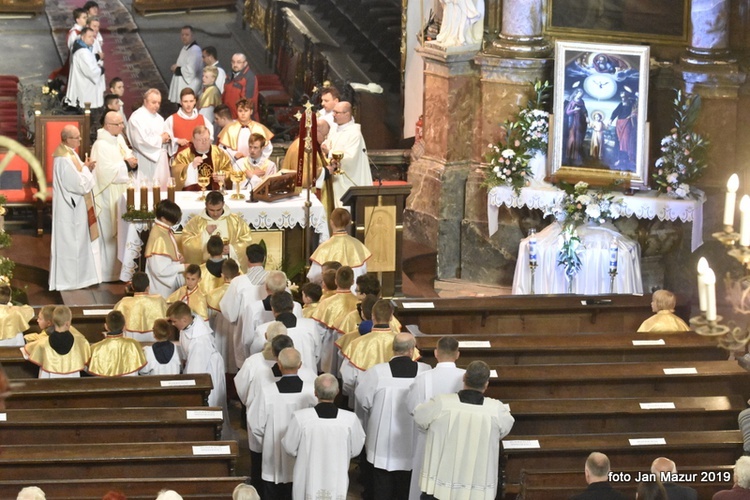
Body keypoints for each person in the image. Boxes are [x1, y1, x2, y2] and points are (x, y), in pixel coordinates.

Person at [413, 360, 515, 500]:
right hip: (476, 488)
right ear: (486, 384)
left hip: (440, 485)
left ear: (464, 378)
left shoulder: (441, 403)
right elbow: (504, 430)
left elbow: (419, 416)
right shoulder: (496, 410)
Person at [355, 333, 431, 500]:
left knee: (382, 485)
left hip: (383, 441)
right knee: (406, 486)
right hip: (412, 440)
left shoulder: (376, 372)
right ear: (412, 350)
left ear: (393, 348)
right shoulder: (425, 371)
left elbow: (363, 400)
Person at [282, 373, 366, 500]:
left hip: (307, 475)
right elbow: (356, 450)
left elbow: (289, 447)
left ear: (315, 392)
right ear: (337, 392)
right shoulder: (350, 419)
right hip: (337, 474)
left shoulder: (301, 418)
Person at [249, 347, 316, 499]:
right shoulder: (311, 392)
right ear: (300, 365)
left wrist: (267, 443)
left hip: (273, 456)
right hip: (303, 455)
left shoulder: (267, 392)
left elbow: (256, 426)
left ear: (279, 365)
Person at [406, 337, 465, 500]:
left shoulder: (423, 378)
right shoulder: (466, 377)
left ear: (436, 353)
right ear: (457, 354)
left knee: (424, 484)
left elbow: (412, 408)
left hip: (428, 438)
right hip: (457, 439)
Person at [49, 124, 102, 291]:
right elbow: (80, 185)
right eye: (76, 137)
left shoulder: (70, 154)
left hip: (76, 207)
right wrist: (87, 170)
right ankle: (70, 281)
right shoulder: (64, 159)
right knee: (71, 244)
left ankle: (80, 278)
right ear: (66, 139)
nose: (79, 140)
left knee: (77, 243)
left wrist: (85, 168)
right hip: (70, 210)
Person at [91, 110, 137, 281]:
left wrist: (131, 161)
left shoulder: (118, 139)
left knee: (123, 231)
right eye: (118, 124)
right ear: (108, 125)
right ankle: (108, 273)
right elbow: (104, 172)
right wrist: (126, 163)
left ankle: (123, 271)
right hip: (108, 193)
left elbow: (128, 155)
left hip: (122, 191)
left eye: (121, 123)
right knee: (110, 232)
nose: (122, 126)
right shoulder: (100, 145)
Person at [340, 299, 407, 401]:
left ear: (372, 316)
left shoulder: (357, 343)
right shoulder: (402, 342)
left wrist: (354, 395)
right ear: (391, 317)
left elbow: (348, 379)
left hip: (362, 397)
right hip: (397, 398)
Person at [168, 301, 226, 411]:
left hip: (208, 369)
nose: (172, 324)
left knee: (210, 402)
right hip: (198, 361)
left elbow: (196, 372)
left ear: (184, 319)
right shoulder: (189, 323)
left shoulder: (199, 341)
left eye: (174, 321)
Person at [220, 244, 268, 370]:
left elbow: (229, 312)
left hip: (245, 332)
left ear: (247, 259)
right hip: (270, 332)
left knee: (248, 369)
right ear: (263, 258)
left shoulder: (238, 282)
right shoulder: (275, 279)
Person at [181, 190, 254, 269]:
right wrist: (204, 234)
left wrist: (232, 249)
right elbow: (187, 243)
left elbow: (247, 240)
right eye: (211, 210)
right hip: (206, 269)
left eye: (218, 210)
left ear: (223, 204)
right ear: (206, 205)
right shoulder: (196, 222)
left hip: (229, 269)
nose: (215, 214)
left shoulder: (235, 221)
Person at [320, 101, 373, 207]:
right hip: (334, 179)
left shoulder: (354, 134)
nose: (333, 115)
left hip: (348, 181)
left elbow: (350, 157)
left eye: (337, 112)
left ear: (347, 114)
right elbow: (328, 144)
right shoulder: (334, 129)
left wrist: (329, 152)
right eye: (333, 112)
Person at [255, 291, 321, 375]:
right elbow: (317, 354)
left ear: (272, 309)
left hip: (274, 380)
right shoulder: (310, 325)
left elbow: (256, 355)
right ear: (293, 306)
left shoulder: (263, 330)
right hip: (309, 376)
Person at [241, 270, 303, 357]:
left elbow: (247, 340)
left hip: (262, 355)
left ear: (266, 287)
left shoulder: (253, 308)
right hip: (292, 353)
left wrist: (251, 359)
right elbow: (300, 331)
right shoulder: (296, 306)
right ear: (285, 287)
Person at [312, 266, 359, 374]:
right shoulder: (359, 303)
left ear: (336, 281)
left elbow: (318, 331)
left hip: (330, 347)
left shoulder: (326, 303)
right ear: (352, 282)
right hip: (353, 346)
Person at [22, 306, 91, 378]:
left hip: (48, 382)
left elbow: (26, 350)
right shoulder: (81, 343)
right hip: (72, 381)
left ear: (53, 322)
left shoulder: (42, 343)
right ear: (68, 323)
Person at [307, 208, 371, 284]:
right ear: (348, 223)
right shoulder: (358, 245)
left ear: (331, 222)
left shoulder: (324, 248)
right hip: (354, 293)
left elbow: (313, 277)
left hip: (330, 293)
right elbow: (363, 272)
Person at [128, 89, 171, 188]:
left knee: (161, 189)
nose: (157, 105)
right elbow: (140, 141)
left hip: (160, 160)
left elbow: (164, 135)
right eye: (153, 102)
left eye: (159, 103)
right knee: (146, 190)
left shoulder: (159, 118)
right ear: (145, 101)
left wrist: (167, 137)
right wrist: (160, 139)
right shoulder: (137, 118)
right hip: (144, 159)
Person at [144, 199, 187, 298]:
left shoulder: (162, 229)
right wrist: (183, 267)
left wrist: (178, 256)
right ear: (163, 218)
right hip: (162, 288)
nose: (175, 222)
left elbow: (168, 251)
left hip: (166, 283)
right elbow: (160, 270)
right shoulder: (159, 236)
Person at [87, 310, 147, 376]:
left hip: (105, 385)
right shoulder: (134, 344)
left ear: (106, 326)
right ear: (124, 327)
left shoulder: (95, 348)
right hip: (130, 384)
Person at [171, 126, 231, 191]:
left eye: (206, 139)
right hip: (193, 194)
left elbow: (229, 170)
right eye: (200, 140)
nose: (203, 142)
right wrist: (191, 166)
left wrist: (223, 176)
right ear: (193, 140)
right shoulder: (183, 155)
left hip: (215, 193)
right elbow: (176, 173)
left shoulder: (219, 153)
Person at [113, 272, 168, 342]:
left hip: (131, 338)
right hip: (154, 337)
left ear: (132, 287)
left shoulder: (124, 302)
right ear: (148, 286)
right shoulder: (159, 300)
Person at [217, 98, 273, 165]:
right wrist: (234, 155)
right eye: (240, 111)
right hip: (235, 164)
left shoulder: (259, 128)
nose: (243, 114)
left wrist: (258, 162)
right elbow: (222, 148)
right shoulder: (229, 128)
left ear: (251, 111)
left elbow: (268, 148)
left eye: (246, 111)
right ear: (237, 111)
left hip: (255, 165)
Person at [166, 88, 213, 159]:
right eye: (185, 101)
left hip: (199, 159)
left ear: (195, 101)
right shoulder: (171, 119)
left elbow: (210, 139)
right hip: (180, 160)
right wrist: (176, 141)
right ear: (180, 102)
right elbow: (165, 139)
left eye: (191, 101)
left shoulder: (203, 119)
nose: (188, 104)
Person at [64, 27, 104, 111]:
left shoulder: (84, 50)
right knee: (85, 115)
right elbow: (91, 71)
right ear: (82, 37)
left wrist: (96, 57)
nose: (92, 39)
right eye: (89, 37)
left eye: (93, 36)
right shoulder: (83, 52)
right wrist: (101, 70)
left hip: (84, 89)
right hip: (84, 91)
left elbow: (90, 61)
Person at [168, 26, 202, 104]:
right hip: (182, 84)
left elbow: (191, 71)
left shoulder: (195, 50)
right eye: (182, 35)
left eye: (187, 35)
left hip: (189, 86)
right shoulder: (186, 48)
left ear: (192, 36)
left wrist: (176, 69)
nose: (184, 37)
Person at [223, 53, 257, 119]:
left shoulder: (250, 78)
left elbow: (248, 101)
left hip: (240, 119)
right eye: (233, 62)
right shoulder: (229, 75)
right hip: (228, 116)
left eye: (239, 62)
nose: (235, 65)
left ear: (245, 63)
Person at [611, 91, 636, 167]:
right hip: (619, 123)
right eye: (621, 97)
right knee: (619, 141)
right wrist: (611, 119)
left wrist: (630, 116)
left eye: (624, 97)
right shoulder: (621, 104)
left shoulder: (632, 104)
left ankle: (627, 159)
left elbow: (635, 111)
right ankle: (619, 159)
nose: (623, 99)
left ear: (627, 97)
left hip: (627, 123)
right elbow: (615, 112)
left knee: (625, 141)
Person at [565, 88, 588, 165]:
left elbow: (584, 110)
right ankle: (569, 155)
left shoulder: (581, 101)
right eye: (579, 93)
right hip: (573, 121)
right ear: (576, 93)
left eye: (581, 94)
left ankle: (576, 155)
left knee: (578, 137)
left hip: (581, 121)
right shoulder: (572, 102)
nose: (580, 95)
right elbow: (567, 112)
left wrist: (587, 117)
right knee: (572, 138)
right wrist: (575, 110)